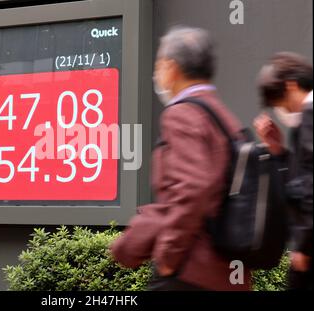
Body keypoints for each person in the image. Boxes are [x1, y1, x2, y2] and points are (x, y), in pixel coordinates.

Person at [110, 26, 251, 291]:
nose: (157, 74)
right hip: (229, 273)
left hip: (193, 272)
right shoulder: (223, 117)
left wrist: (168, 256)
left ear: (172, 68)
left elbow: (193, 187)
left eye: (159, 65)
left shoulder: (181, 114)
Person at [254, 52, 313, 290]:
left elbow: (310, 184)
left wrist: (305, 246)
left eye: (281, 104)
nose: (284, 112)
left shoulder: (309, 117)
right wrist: (278, 150)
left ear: (291, 85)